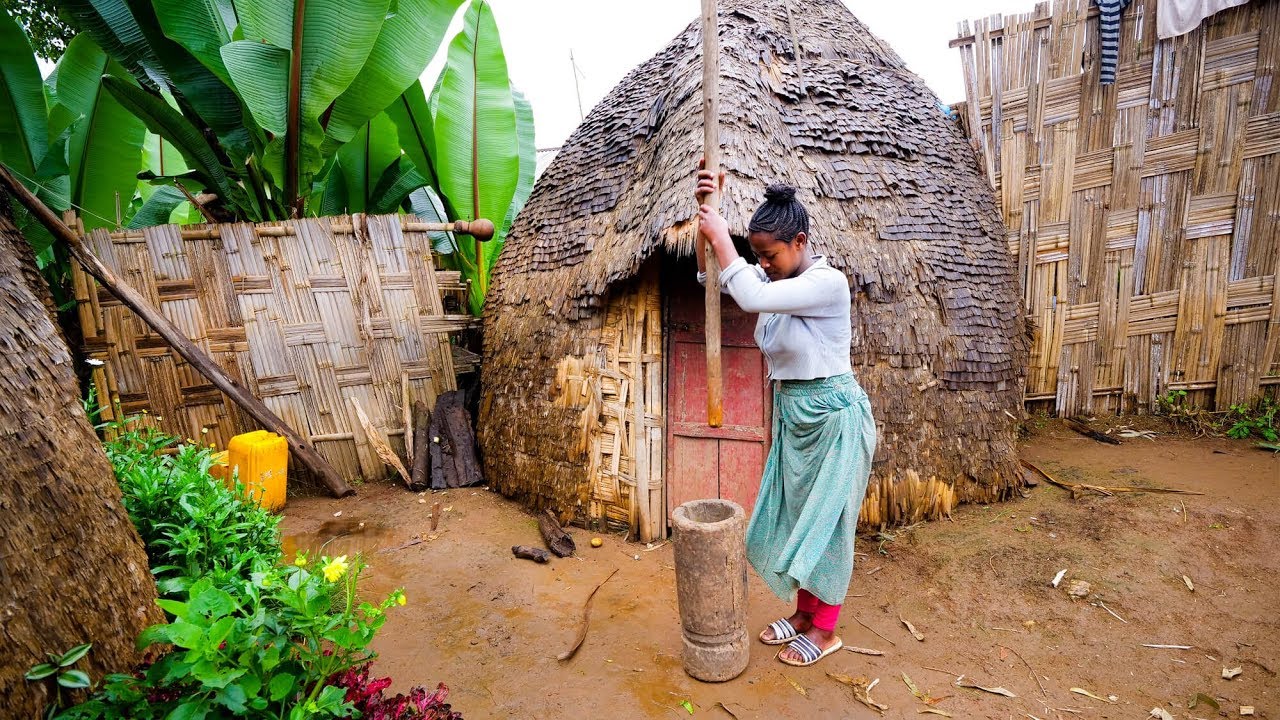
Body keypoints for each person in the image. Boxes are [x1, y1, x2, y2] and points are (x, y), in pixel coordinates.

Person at [695, 165, 877, 667]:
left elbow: (749, 294)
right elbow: (715, 274)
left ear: (799, 242)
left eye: (771, 255)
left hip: (833, 417)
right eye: (758, 256)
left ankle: (826, 629)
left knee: (829, 524)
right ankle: (803, 615)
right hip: (795, 415)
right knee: (799, 519)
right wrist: (709, 211)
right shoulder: (776, 279)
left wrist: (720, 233)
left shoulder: (827, 284)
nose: (764, 265)